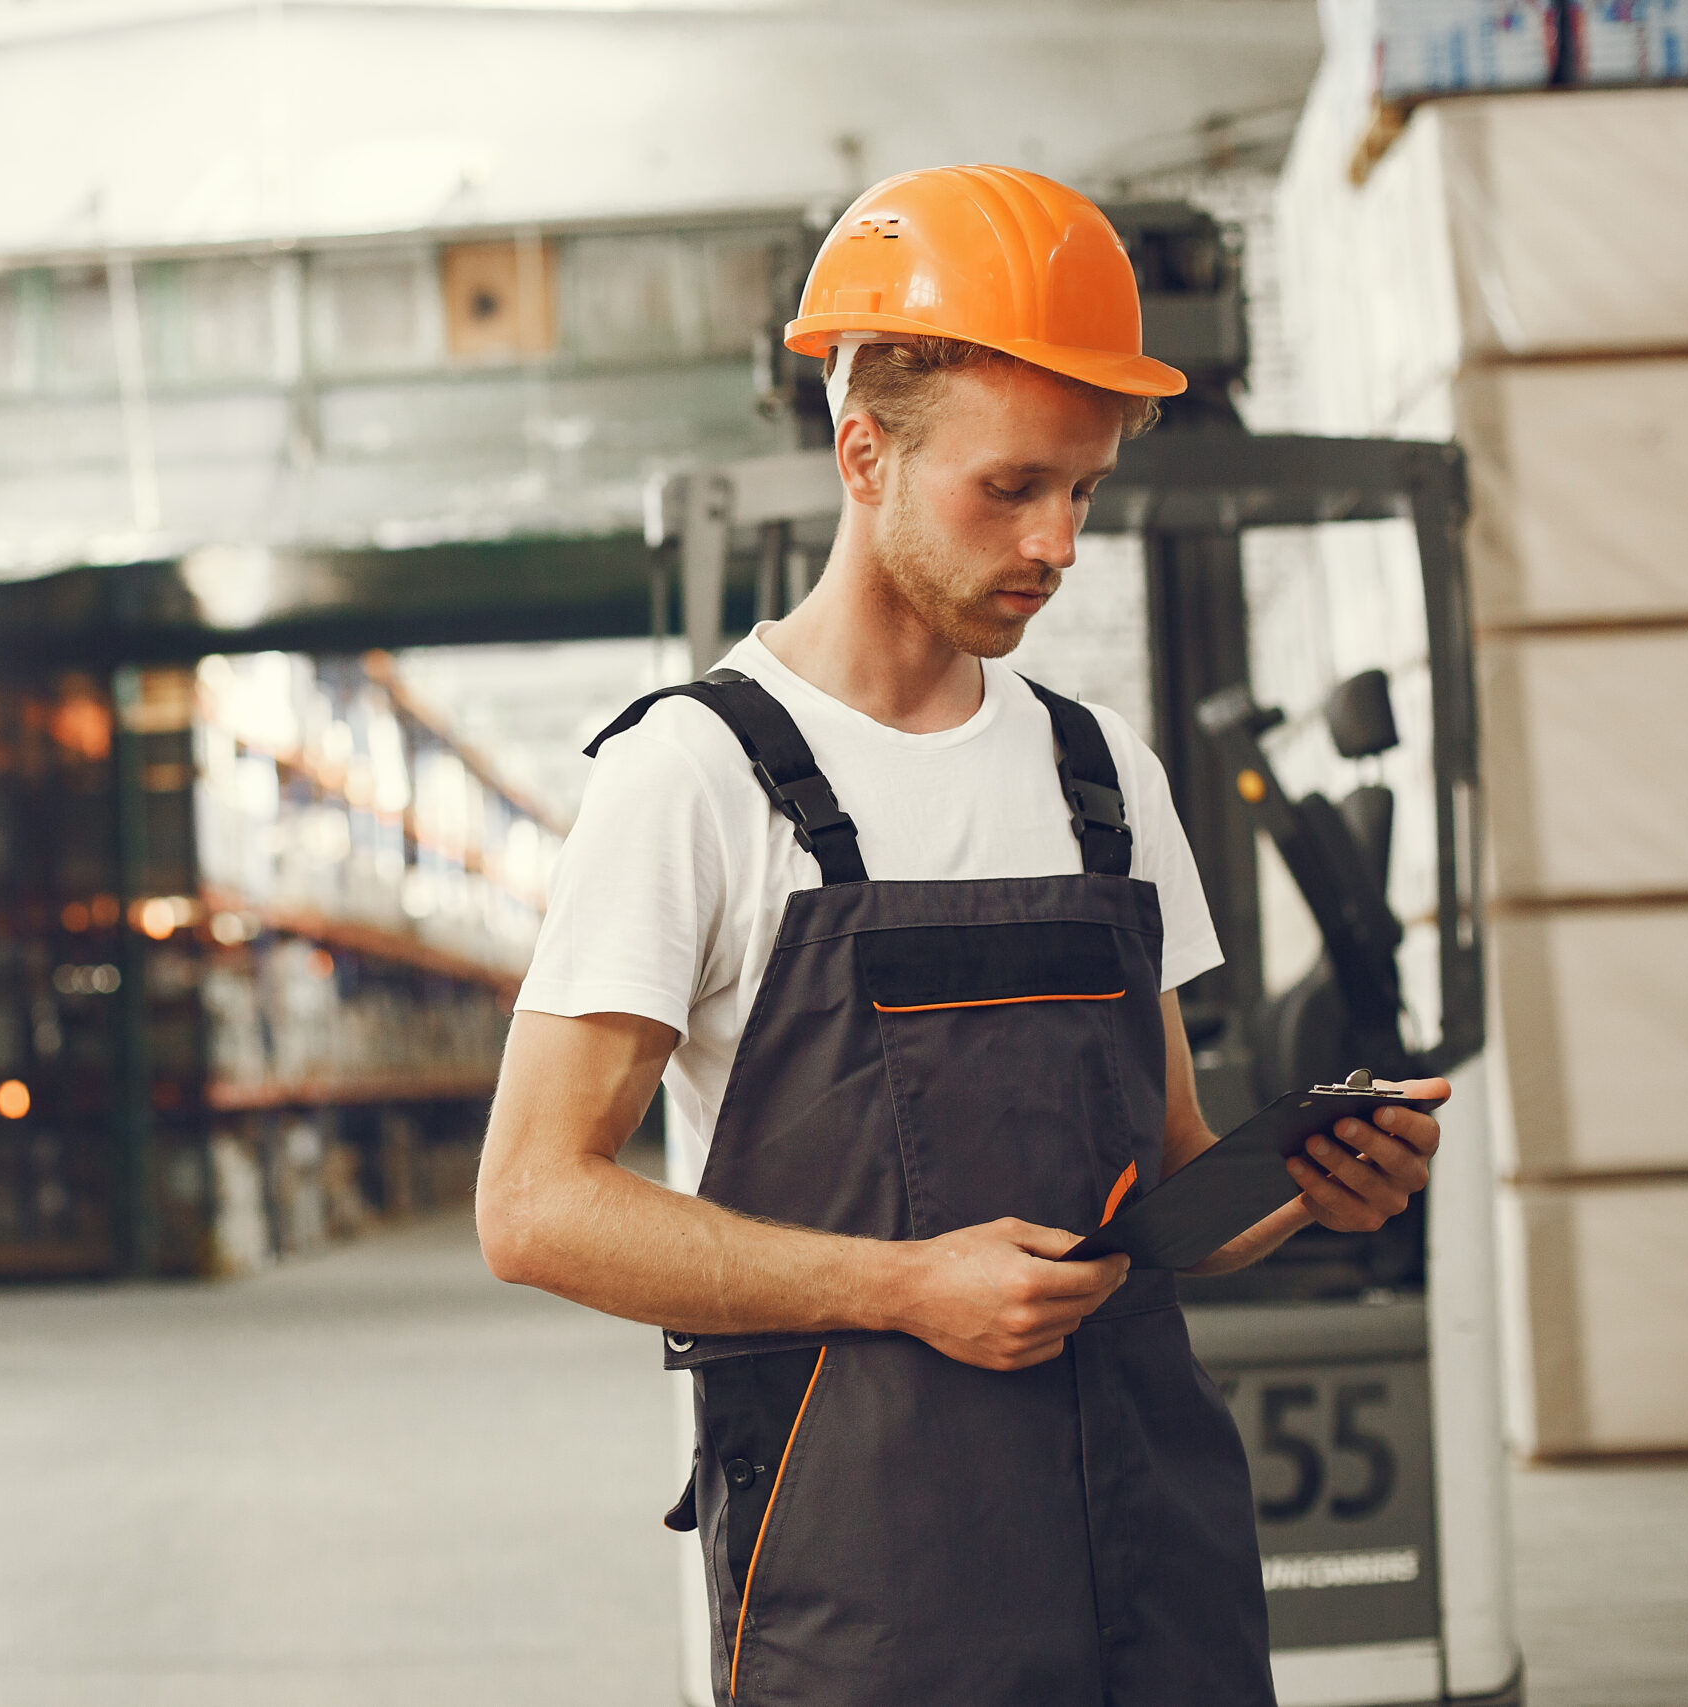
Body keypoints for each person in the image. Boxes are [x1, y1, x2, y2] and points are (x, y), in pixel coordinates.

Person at [474, 165, 1448, 1707]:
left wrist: (1316, 1188)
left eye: (1087, 491)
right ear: (865, 453)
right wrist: (902, 1286)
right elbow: (532, 1205)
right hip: (874, 1590)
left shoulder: (1101, 773)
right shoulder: (696, 778)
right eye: (1011, 489)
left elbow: (1179, 1175)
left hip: (1155, 1560)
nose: (1058, 541)